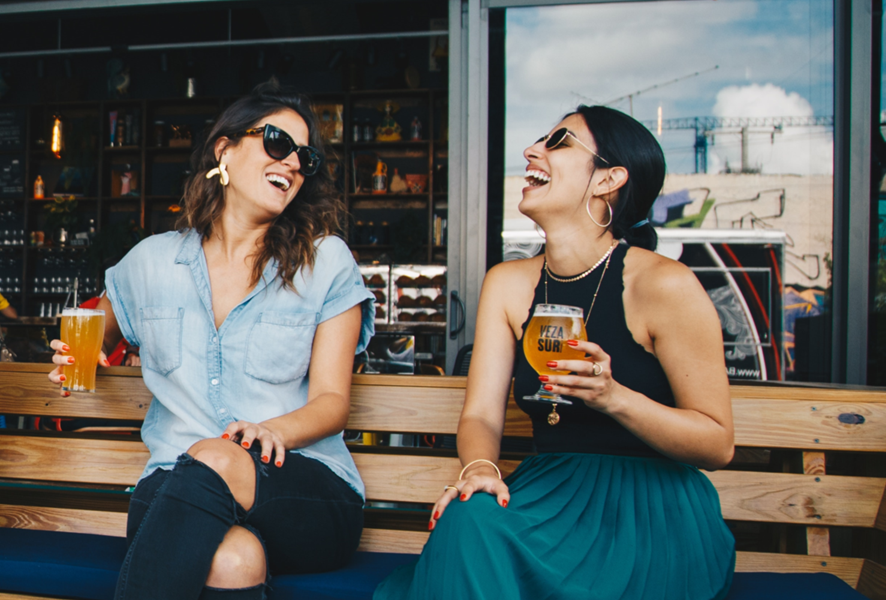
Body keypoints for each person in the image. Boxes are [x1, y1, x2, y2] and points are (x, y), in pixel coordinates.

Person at [375, 106, 735, 600]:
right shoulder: (507, 284)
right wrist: (479, 468)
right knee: (467, 517)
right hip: (549, 495)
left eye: (559, 142)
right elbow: (481, 415)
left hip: (651, 512)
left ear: (608, 180)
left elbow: (717, 444)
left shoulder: (663, 284)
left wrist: (613, 397)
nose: (531, 151)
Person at [48, 79, 375, 600]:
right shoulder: (151, 262)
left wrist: (271, 433)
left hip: (299, 487)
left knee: (221, 455)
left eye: (303, 157)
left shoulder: (326, 260)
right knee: (232, 560)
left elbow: (333, 404)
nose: (291, 162)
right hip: (175, 488)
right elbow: (93, 331)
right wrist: (75, 356)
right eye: (276, 142)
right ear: (225, 148)